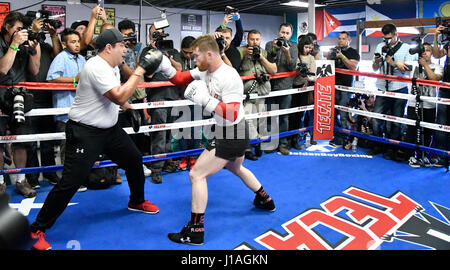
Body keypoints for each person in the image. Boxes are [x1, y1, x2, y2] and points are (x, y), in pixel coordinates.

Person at [29, 28, 160, 250]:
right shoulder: (95, 66)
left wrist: (129, 108)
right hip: (85, 132)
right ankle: (37, 229)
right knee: (71, 181)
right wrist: (139, 70)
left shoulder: (112, 66)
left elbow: (115, 95)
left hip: (109, 129)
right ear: (109, 47)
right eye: (122, 46)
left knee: (134, 159)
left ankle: (136, 201)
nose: (125, 50)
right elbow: (118, 94)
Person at [153, 34, 275, 245]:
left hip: (232, 130)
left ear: (210, 54)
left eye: (196, 55)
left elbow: (232, 113)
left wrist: (205, 100)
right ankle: (265, 199)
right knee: (236, 168)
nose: (194, 59)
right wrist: (163, 64)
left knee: (196, 174)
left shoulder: (229, 77)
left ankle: (195, 230)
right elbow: (181, 78)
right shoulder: (204, 69)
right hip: (231, 130)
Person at [0, 11, 41, 198]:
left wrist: (33, 50)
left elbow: (34, 70)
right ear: (7, 28)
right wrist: (15, 45)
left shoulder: (24, 45)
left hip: (20, 97)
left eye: (22, 30)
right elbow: (3, 68)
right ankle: (0, 182)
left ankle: (20, 180)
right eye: (17, 29)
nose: (20, 33)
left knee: (21, 143)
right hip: (0, 96)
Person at [25, 18, 62, 188]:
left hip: (47, 98)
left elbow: (59, 54)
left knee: (48, 140)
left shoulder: (47, 47)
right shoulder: (25, 47)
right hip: (30, 98)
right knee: (31, 142)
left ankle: (50, 172)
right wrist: (33, 31)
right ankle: (32, 177)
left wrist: (54, 35)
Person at [145, 24, 182, 184]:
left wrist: (167, 56)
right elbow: (149, 74)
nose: (160, 37)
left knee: (170, 134)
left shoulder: (172, 50)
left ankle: (169, 162)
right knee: (159, 135)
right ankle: (156, 169)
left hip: (173, 96)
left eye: (161, 34)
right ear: (150, 37)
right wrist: (157, 55)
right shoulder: (147, 52)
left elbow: (179, 69)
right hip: (157, 97)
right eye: (156, 35)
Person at [370, 23, 413, 160]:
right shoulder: (379, 46)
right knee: (376, 119)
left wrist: (393, 63)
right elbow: (375, 68)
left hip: (399, 87)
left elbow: (408, 69)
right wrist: (377, 62)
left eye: (389, 38)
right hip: (382, 87)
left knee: (396, 121)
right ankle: (378, 144)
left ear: (396, 35)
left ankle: (391, 148)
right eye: (385, 38)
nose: (387, 41)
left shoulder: (406, 48)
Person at [46, 28, 86, 165]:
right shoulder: (61, 58)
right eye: (73, 42)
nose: (77, 45)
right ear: (64, 44)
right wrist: (74, 79)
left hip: (81, 109)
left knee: (80, 145)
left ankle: (78, 175)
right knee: (67, 145)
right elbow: (51, 79)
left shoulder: (81, 59)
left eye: (78, 41)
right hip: (65, 110)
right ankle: (67, 179)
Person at [117, 19, 151, 177]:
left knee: (137, 132)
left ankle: (138, 163)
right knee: (118, 134)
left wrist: (121, 61)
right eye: (124, 36)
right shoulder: (106, 51)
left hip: (133, 98)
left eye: (130, 35)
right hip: (112, 98)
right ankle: (114, 167)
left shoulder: (132, 50)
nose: (127, 39)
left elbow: (132, 75)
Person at [237, 29, 277, 160]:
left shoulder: (265, 52)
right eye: (252, 39)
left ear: (260, 40)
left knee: (259, 120)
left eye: (257, 40)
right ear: (247, 40)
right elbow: (232, 68)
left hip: (262, 91)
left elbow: (273, 70)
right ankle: (252, 145)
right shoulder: (240, 51)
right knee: (248, 120)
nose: (254, 42)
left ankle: (254, 144)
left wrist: (262, 58)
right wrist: (242, 54)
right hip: (247, 92)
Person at [406, 43, 443, 168]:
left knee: (427, 132)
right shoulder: (413, 65)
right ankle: (411, 155)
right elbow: (399, 66)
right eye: (423, 50)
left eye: (428, 50)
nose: (425, 53)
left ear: (432, 53)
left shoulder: (437, 67)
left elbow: (434, 79)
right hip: (413, 103)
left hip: (429, 104)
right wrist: (394, 62)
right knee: (411, 130)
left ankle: (424, 156)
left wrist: (425, 65)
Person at [265, 23, 298, 155]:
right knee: (270, 116)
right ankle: (270, 142)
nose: (284, 35)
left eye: (287, 33)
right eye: (282, 32)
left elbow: (292, 67)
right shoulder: (269, 44)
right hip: (271, 86)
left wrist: (287, 52)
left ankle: (283, 144)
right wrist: (274, 49)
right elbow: (266, 62)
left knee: (284, 117)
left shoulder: (294, 47)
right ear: (278, 32)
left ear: (290, 35)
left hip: (285, 86)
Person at [327, 31, 360, 147]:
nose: (340, 40)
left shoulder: (353, 52)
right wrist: (328, 56)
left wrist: (342, 57)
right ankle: (338, 136)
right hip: (333, 85)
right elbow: (326, 65)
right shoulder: (334, 51)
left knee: (343, 113)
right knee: (333, 112)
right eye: (339, 38)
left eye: (343, 38)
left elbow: (353, 67)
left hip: (345, 87)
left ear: (348, 40)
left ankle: (346, 137)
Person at [177, 36, 202, 170]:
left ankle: (194, 157)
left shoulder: (200, 60)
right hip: (181, 98)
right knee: (182, 130)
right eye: (185, 52)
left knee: (196, 129)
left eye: (190, 52)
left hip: (197, 98)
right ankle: (183, 156)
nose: (187, 55)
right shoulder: (177, 58)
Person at [290, 35, 316, 150]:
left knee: (300, 115)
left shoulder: (311, 58)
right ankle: (287, 139)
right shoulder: (295, 55)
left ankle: (295, 139)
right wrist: (298, 71)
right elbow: (290, 69)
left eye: (310, 47)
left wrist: (307, 74)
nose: (308, 49)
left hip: (305, 89)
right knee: (290, 115)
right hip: (292, 88)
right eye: (306, 47)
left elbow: (314, 76)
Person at [431, 24, 450, 168]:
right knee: (442, 123)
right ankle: (443, 157)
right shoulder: (448, 44)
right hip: (445, 87)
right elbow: (436, 54)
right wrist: (436, 36)